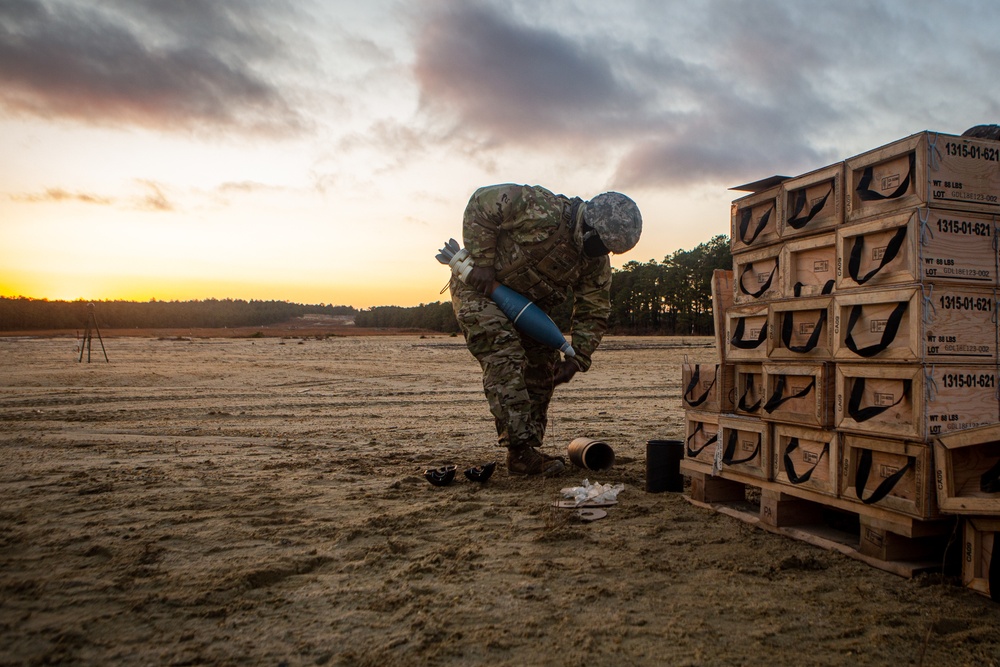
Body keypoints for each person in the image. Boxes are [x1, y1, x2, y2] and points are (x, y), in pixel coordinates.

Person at [449, 184, 642, 476]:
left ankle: (523, 453)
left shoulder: (595, 263)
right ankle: (520, 448)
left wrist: (578, 359)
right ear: (589, 226)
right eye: (602, 245)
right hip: (480, 291)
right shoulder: (541, 209)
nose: (603, 254)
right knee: (504, 353)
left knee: (543, 368)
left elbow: (594, 308)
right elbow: (481, 203)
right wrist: (483, 262)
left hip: (530, 312)